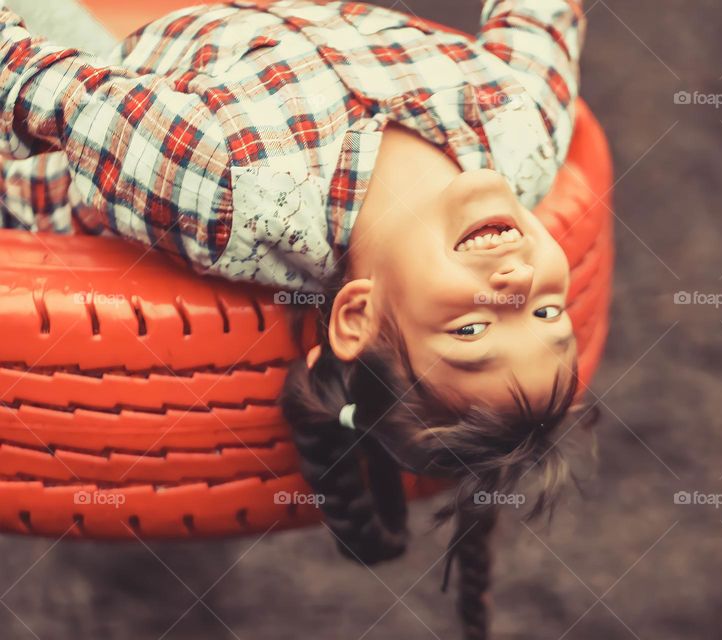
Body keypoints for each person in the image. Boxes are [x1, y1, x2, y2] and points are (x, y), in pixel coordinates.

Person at [0, 2, 589, 637]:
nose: (516, 284)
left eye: (471, 331)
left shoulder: (236, 182)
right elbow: (542, 18)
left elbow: (35, 85)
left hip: (81, 86)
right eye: (547, 310)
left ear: (356, 314)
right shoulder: (520, 131)